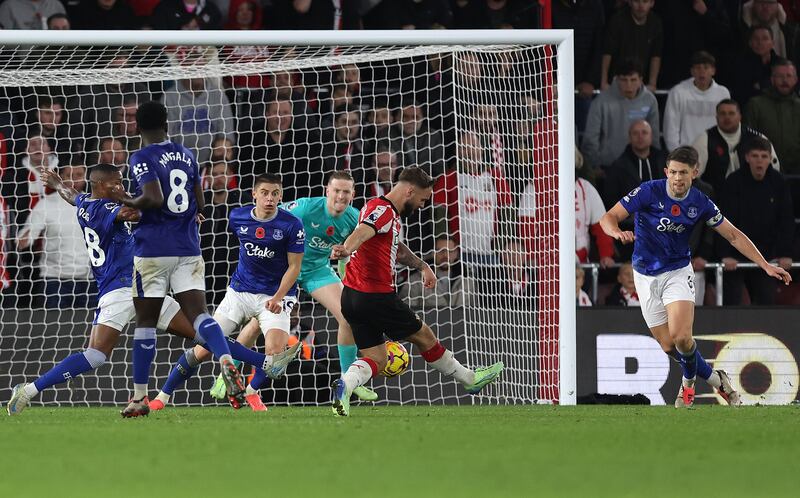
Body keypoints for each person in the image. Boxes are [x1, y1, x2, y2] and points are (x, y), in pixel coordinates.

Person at [7, 163, 275, 416]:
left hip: (144, 287)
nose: (122, 188)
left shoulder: (86, 203)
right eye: (116, 184)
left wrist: (58, 183)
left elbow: (72, 195)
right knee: (96, 356)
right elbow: (133, 213)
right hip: (117, 291)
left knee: (204, 336)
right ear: (101, 185)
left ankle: (266, 364)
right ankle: (29, 390)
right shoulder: (104, 209)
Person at [599, 146, 791, 408]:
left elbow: (733, 234)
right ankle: (715, 378)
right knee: (668, 346)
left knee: (682, 338)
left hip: (677, 271)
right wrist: (616, 232)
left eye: (684, 173)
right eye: (674, 172)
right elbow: (608, 217)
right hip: (644, 275)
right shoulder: (648, 191)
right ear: (667, 172)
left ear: (695, 173)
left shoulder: (700, 202)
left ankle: (688, 382)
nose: (678, 178)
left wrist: (765, 265)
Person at [328, 167, 504, 417]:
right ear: (409, 190)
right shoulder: (384, 211)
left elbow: (396, 249)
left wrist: (423, 266)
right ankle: (469, 379)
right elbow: (362, 232)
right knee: (424, 336)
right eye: (422, 199)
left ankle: (345, 385)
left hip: (352, 297)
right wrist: (347, 248)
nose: (423, 205)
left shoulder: (378, 208)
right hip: (376, 295)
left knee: (377, 359)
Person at [205, 171, 379, 403]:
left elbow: (363, 246)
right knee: (256, 325)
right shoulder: (305, 208)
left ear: (353, 194)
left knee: (348, 316)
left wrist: (344, 254)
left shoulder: (354, 219)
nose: (340, 196)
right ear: (327, 191)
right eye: (336, 190)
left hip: (317, 272)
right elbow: (272, 214)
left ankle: (349, 381)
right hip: (285, 270)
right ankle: (225, 376)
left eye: (346, 192)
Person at [119, 101, 244, 414]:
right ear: (167, 124)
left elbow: (153, 197)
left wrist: (123, 198)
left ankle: (138, 399)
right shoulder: (187, 154)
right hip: (187, 247)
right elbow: (200, 203)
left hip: (153, 250)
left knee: (146, 321)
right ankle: (226, 359)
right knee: (200, 315)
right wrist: (191, 214)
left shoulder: (141, 156)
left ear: (138, 127)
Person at [150, 173, 305, 412]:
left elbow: (295, 267)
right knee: (202, 348)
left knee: (276, 354)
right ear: (254, 194)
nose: (269, 198)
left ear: (281, 196)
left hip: (275, 296)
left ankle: (251, 392)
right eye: (264, 193)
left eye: (275, 193)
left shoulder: (291, 224)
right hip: (239, 292)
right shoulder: (238, 216)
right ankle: (162, 396)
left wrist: (277, 298)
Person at [717, 136, 794, 304]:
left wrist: (786, 254)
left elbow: (786, 221)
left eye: (764, 156)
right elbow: (722, 221)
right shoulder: (734, 182)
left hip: (767, 258)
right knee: (733, 305)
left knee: (766, 304)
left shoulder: (779, 183)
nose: (759, 161)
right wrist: (725, 255)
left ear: (770, 159)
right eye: (755, 156)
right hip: (736, 257)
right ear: (747, 158)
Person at [16, 163, 95, 309]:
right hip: (54, 280)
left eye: (78, 175)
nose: (73, 180)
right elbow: (23, 240)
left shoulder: (94, 204)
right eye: (69, 175)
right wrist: (24, 238)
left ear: (86, 178)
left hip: (89, 280)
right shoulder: (46, 204)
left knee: (90, 330)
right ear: (60, 177)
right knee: (54, 330)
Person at [581, 58, 660, 169]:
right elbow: (591, 137)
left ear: (641, 80)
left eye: (633, 80)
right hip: (608, 165)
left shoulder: (650, 100)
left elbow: (654, 137)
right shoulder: (601, 101)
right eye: (624, 80)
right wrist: (594, 165)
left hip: (640, 165)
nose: (628, 85)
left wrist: (654, 164)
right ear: (617, 79)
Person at [693, 98, 780, 196]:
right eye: (723, 114)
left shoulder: (756, 138)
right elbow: (692, 175)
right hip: (715, 198)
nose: (727, 118)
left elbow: (774, 170)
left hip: (751, 196)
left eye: (731, 113)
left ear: (740, 117)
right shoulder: (705, 139)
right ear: (716, 117)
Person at [662, 51, 730, 151]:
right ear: (692, 71)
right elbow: (670, 128)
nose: (702, 72)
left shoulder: (723, 93)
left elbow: (727, 125)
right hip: (686, 152)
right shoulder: (678, 92)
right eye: (698, 68)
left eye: (706, 68)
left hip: (715, 152)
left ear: (713, 71)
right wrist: (677, 154)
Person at [745, 59, 800, 173]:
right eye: (780, 76)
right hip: (765, 169)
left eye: (789, 76)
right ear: (772, 79)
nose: (785, 80)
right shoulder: (756, 104)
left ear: (795, 80)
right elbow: (748, 138)